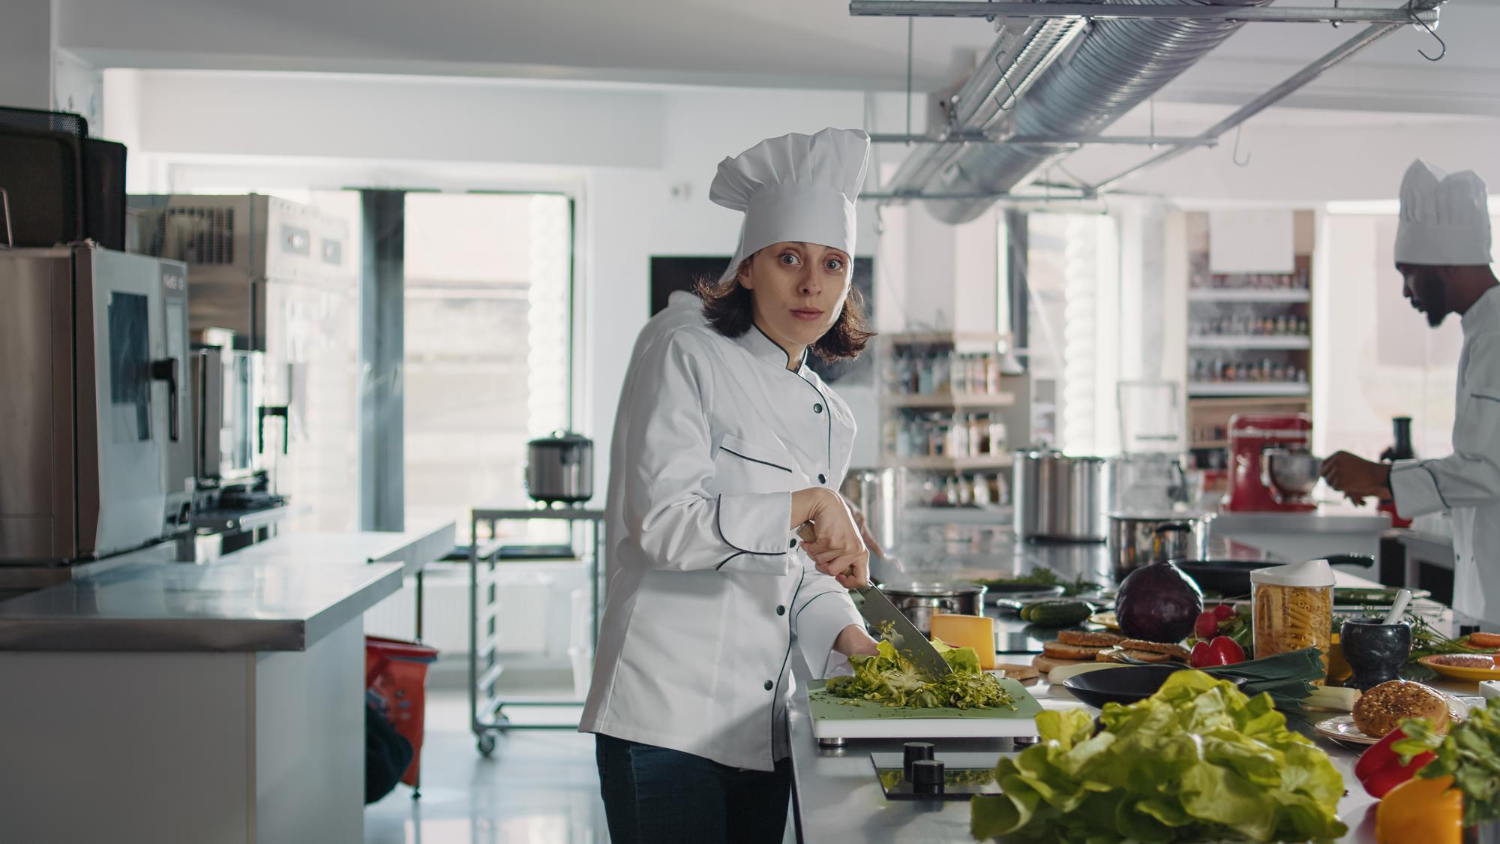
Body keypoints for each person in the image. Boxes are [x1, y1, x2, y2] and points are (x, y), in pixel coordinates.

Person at [580, 128, 882, 844]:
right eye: (789, 259)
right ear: (748, 269)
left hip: (761, 727)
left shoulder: (831, 416)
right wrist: (811, 504)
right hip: (664, 723)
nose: (812, 284)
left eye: (832, 264)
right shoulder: (684, 350)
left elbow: (797, 572)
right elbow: (663, 525)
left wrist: (858, 638)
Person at [1321, 159, 1500, 622]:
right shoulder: (1483, 330)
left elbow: (1488, 471)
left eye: (1409, 273)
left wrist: (1382, 477)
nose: (1405, 291)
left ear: (1445, 267)